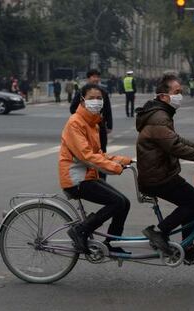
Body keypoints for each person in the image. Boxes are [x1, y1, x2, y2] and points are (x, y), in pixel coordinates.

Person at [136, 74, 194, 260]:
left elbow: (175, 139)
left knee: (193, 201)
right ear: (164, 96)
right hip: (157, 178)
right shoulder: (159, 117)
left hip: (161, 173)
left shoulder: (161, 114)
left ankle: (187, 247)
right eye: (177, 92)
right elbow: (175, 147)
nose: (180, 96)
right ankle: (158, 232)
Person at [59, 84, 132, 253]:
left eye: (99, 98)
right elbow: (86, 156)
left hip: (87, 176)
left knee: (124, 203)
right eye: (92, 98)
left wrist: (126, 160)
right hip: (75, 179)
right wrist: (114, 168)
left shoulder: (93, 124)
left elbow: (99, 154)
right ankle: (81, 230)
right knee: (117, 202)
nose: (96, 101)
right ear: (82, 100)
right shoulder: (75, 123)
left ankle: (112, 243)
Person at [70, 69, 113, 180]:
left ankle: (102, 178)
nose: (96, 79)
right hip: (86, 127)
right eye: (94, 76)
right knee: (87, 152)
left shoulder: (103, 92)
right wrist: (84, 116)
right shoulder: (81, 92)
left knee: (102, 152)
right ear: (88, 78)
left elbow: (108, 109)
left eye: (97, 77)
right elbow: (73, 108)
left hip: (100, 126)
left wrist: (109, 125)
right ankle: (88, 177)